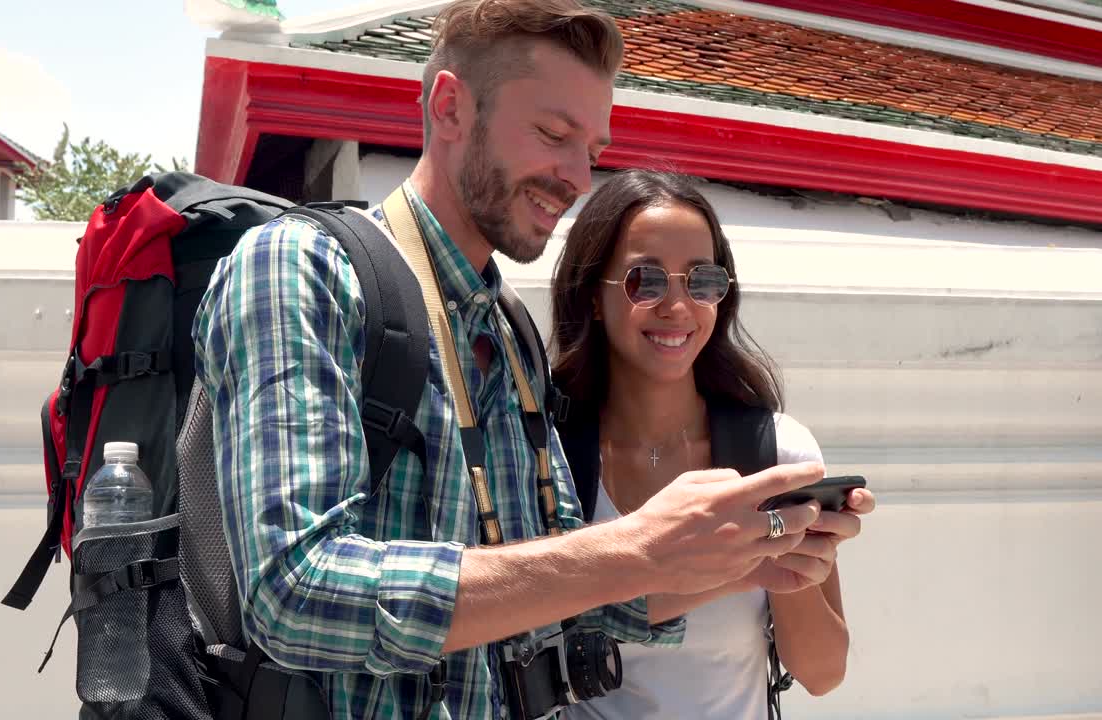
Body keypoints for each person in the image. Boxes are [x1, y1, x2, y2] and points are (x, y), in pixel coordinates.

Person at [191, 1, 850, 719]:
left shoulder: (510, 336)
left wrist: (741, 555)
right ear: (449, 108)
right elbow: (295, 592)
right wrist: (635, 549)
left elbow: (562, 602)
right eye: (552, 134)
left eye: (590, 150)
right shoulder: (303, 269)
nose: (575, 177)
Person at [549, 170, 874, 719]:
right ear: (594, 298)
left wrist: (786, 556)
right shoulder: (548, 457)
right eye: (644, 281)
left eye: (702, 282)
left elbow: (823, 674)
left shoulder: (774, 456)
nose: (677, 307)